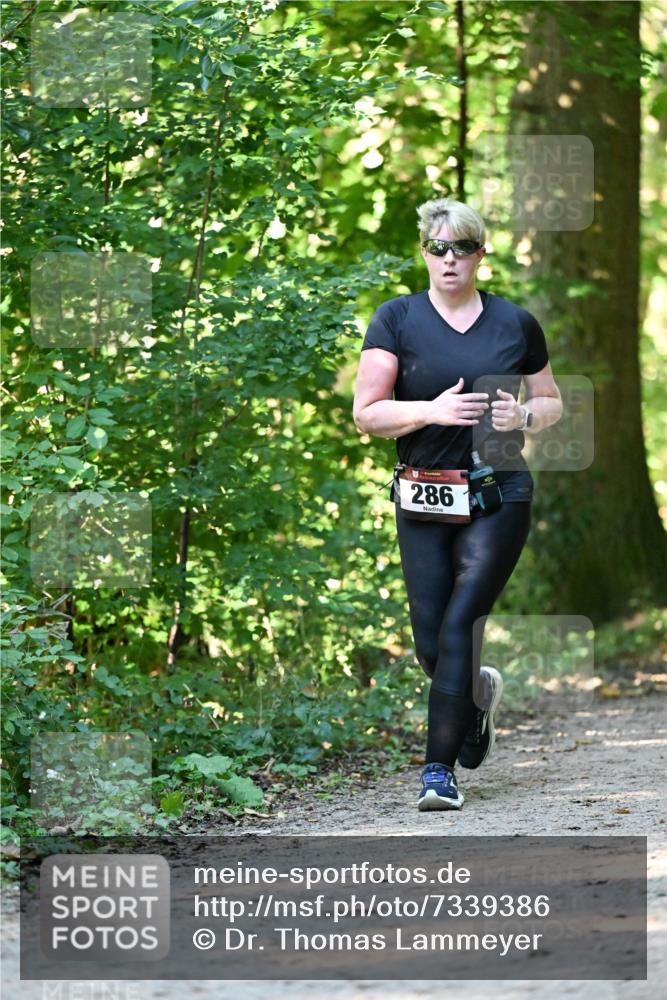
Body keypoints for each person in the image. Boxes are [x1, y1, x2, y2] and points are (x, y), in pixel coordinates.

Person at [352, 197, 562, 811]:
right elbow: (368, 413)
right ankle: (475, 700)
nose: (449, 260)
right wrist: (431, 411)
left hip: (499, 489)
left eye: (462, 248)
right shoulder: (395, 319)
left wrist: (523, 412)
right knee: (430, 642)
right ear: (424, 253)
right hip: (422, 490)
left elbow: (550, 400)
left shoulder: (514, 323)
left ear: (480, 254)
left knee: (460, 623)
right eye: (438, 248)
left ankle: (437, 774)